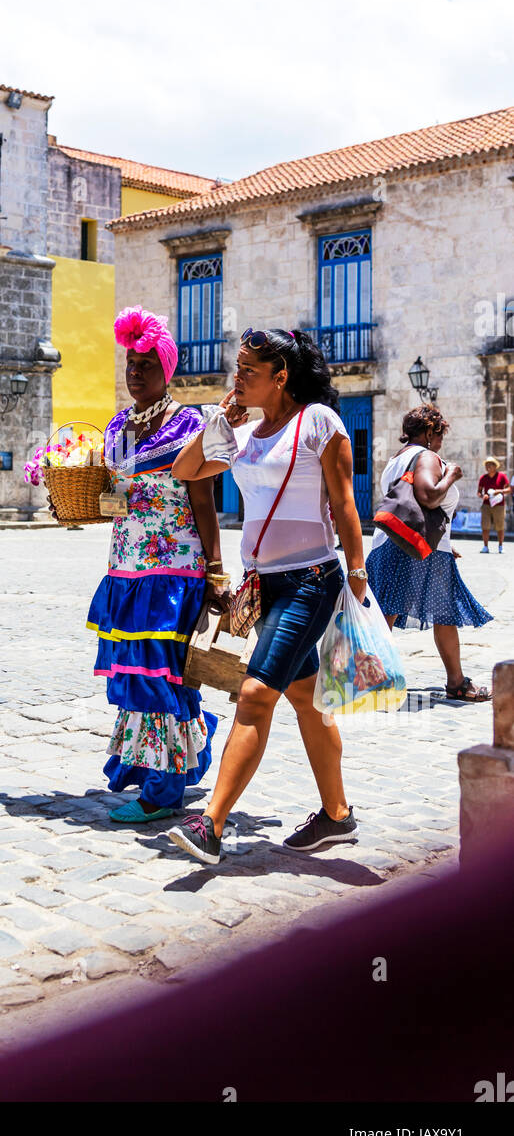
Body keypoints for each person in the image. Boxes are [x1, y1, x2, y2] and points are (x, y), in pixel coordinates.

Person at [167, 327, 364, 866]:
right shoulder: (246, 435)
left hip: (310, 580)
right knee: (304, 697)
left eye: (249, 372)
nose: (238, 378)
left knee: (255, 694)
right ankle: (337, 815)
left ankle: (211, 823)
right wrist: (218, 422)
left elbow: (345, 503)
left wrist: (358, 568)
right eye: (238, 369)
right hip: (262, 586)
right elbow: (186, 472)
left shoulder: (318, 421)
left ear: (281, 377)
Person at [87, 307, 221, 824]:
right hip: (126, 569)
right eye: (130, 364)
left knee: (162, 675)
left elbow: (205, 503)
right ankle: (179, 755)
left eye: (146, 363)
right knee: (136, 675)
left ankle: (163, 791)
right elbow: (114, 501)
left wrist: (215, 573)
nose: (135, 372)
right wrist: (78, 503)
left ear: (167, 368)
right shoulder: (118, 428)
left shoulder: (193, 425)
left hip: (174, 574)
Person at [367, 405, 491, 701]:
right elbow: (427, 495)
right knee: (430, 613)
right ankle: (373, 681)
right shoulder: (426, 456)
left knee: (391, 611)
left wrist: (448, 543)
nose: (441, 442)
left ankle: (372, 679)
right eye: (440, 435)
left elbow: (411, 507)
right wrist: (452, 474)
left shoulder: (397, 460)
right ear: (430, 431)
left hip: (398, 545)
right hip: (415, 552)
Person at [478, 455, 511, 554]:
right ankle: (485, 546)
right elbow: (479, 492)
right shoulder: (483, 478)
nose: (488, 467)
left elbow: (509, 489)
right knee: (485, 526)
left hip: (499, 505)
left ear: (495, 466)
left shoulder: (502, 476)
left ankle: (500, 546)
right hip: (486, 505)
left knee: (500, 526)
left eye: (490, 465)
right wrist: (483, 496)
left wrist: (499, 491)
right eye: (486, 465)